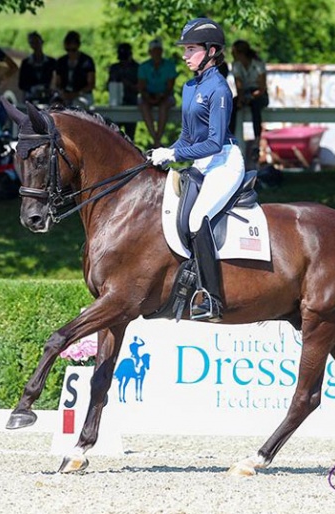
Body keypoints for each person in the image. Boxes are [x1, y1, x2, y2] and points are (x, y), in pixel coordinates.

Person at [150, 18, 243, 322]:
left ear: (211, 50)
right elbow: (188, 137)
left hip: (225, 162)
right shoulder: (189, 87)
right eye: (185, 49)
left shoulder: (219, 89)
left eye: (191, 49)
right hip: (200, 163)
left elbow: (215, 142)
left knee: (195, 218)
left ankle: (212, 299)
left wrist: (175, 153)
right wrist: (166, 153)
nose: (184, 55)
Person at [138, 38, 178, 147]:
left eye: (158, 50)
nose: (156, 53)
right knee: (143, 105)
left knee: (164, 106)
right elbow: (141, 87)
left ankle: (157, 138)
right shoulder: (144, 66)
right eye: (154, 51)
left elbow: (170, 87)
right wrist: (148, 97)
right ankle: (155, 138)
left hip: (165, 96)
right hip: (148, 96)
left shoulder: (169, 65)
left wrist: (161, 97)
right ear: (150, 52)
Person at [229, 40, 269, 141]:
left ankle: (257, 138)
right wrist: (241, 99)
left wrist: (251, 97)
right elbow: (239, 86)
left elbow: (262, 88)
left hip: (259, 94)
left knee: (256, 106)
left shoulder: (258, 64)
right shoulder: (236, 65)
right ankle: (229, 137)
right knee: (231, 105)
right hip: (245, 92)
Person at [55, 31, 96, 109]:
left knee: (77, 105)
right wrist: (62, 93)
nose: (71, 53)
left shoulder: (87, 61)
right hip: (65, 95)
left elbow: (91, 84)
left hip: (83, 94)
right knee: (56, 105)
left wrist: (77, 93)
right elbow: (57, 83)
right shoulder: (61, 61)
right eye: (68, 50)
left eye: (73, 50)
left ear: (78, 46)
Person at [107, 42, 139, 140]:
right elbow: (108, 85)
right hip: (116, 101)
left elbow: (140, 87)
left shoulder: (136, 68)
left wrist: (128, 84)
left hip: (131, 102)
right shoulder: (115, 68)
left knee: (130, 135)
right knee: (114, 134)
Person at [18, 31, 56, 105]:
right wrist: (32, 89)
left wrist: (49, 89)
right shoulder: (26, 63)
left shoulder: (51, 62)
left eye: (37, 42)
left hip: (47, 96)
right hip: (31, 97)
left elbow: (56, 79)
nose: (36, 45)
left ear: (42, 42)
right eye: (33, 43)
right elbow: (21, 84)